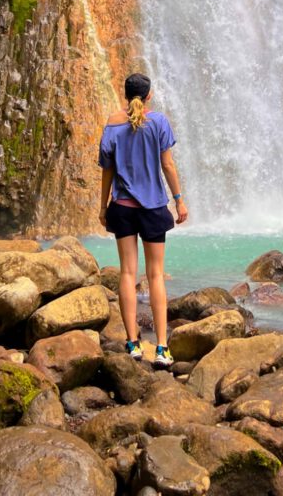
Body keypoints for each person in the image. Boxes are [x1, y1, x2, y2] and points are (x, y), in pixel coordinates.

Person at [98, 72, 188, 368]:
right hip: (152, 208)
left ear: (125, 95)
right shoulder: (158, 122)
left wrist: (103, 207)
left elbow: (107, 172)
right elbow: (168, 164)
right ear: (149, 95)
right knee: (156, 275)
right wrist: (179, 200)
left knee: (127, 273)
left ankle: (133, 343)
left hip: (121, 207)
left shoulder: (112, 124)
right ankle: (162, 347)